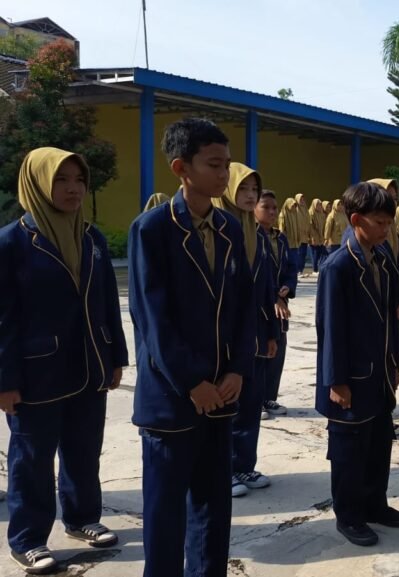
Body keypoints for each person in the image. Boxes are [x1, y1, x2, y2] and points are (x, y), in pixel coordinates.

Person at [128, 117, 256, 577]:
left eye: (227, 165)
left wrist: (238, 370)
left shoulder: (228, 228)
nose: (225, 174)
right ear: (182, 168)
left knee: (212, 506)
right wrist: (191, 382)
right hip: (172, 400)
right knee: (166, 514)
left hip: (222, 392)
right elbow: (152, 319)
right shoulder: (151, 230)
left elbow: (244, 306)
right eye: (215, 164)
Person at [0, 147, 128, 574]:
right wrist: (5, 380)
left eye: (79, 180)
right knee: (32, 460)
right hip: (36, 373)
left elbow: (108, 302)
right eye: (62, 180)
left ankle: (82, 518)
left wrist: (116, 356)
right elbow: (3, 319)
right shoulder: (12, 243)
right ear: (37, 183)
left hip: (90, 365)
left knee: (83, 451)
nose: (73, 189)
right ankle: (27, 539)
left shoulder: (89, 237)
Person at [316, 181, 399, 547]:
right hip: (350, 378)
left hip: (380, 373)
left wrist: (395, 361)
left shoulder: (383, 260)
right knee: (349, 451)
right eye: (380, 222)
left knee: (378, 443)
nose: (386, 229)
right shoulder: (337, 267)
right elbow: (330, 331)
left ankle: (375, 504)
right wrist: (336, 381)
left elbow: (390, 319)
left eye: (389, 222)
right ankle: (349, 515)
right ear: (356, 220)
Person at [213, 162, 279, 498]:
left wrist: (270, 332)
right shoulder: (216, 231)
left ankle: (243, 464)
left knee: (251, 404)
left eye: (254, 190)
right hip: (225, 338)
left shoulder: (257, 235)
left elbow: (265, 288)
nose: (250, 196)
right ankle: (223, 469)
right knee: (226, 406)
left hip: (254, 334)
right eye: (243, 189)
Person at [255, 190, 297, 421]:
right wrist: (273, 296)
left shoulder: (279, 237)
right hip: (262, 304)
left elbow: (290, 267)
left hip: (281, 303)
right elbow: (256, 274)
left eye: (274, 207)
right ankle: (256, 399)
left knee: (278, 349)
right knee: (261, 349)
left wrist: (287, 287)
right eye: (266, 207)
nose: (272, 212)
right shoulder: (250, 236)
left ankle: (269, 395)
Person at [368, 179, 399, 328]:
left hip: (394, 312)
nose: (392, 203)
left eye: (394, 199)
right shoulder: (361, 241)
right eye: (387, 198)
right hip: (375, 317)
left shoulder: (393, 231)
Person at [294, 193, 312, 276]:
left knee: (303, 254)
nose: (302, 201)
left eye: (303, 199)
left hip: (305, 236)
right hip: (298, 236)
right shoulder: (295, 210)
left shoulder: (305, 209)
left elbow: (308, 222)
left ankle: (301, 270)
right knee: (299, 253)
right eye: (300, 199)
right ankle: (297, 270)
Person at [308, 199, 328, 273]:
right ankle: (315, 269)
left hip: (321, 236)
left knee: (321, 253)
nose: (319, 206)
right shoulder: (311, 213)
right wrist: (312, 237)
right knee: (315, 254)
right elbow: (310, 227)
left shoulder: (321, 214)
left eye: (320, 205)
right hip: (314, 237)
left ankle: (319, 269)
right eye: (317, 205)